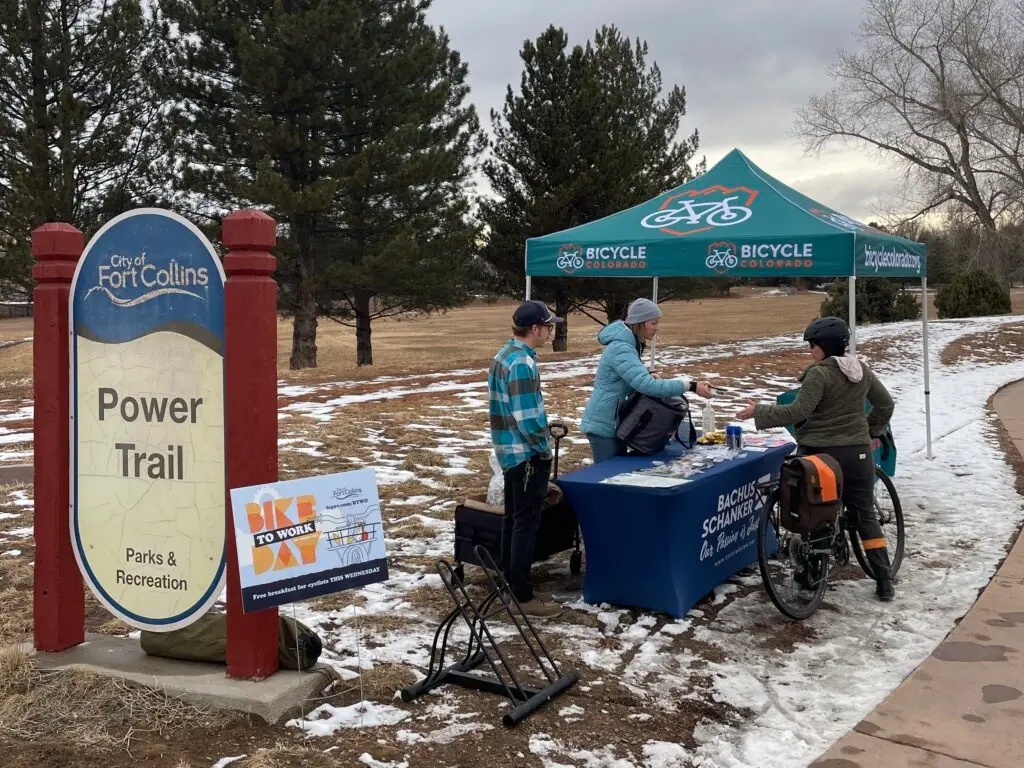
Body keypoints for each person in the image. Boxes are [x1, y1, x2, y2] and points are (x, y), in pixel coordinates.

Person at [735, 316, 897, 602]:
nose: (810, 350)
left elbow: (798, 412)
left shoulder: (819, 374)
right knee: (865, 517)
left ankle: (810, 575)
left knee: (815, 514)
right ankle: (884, 580)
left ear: (826, 346)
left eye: (813, 345)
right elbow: (885, 403)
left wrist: (758, 412)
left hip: (821, 454)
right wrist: (870, 429)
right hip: (858, 453)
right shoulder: (861, 370)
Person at [487, 300, 564, 618]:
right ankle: (521, 596)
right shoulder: (521, 363)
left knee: (513, 522)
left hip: (510, 453)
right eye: (548, 326)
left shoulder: (503, 355)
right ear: (535, 329)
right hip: (526, 455)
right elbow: (527, 419)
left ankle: (511, 585)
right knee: (524, 527)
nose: (551, 330)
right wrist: (544, 445)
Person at [580, 297, 713, 463]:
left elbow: (632, 376)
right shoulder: (621, 348)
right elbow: (648, 386)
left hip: (614, 422)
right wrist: (690, 385)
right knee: (606, 479)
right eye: (653, 323)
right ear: (640, 323)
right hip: (604, 426)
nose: (657, 328)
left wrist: (648, 374)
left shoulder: (629, 345)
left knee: (616, 476)